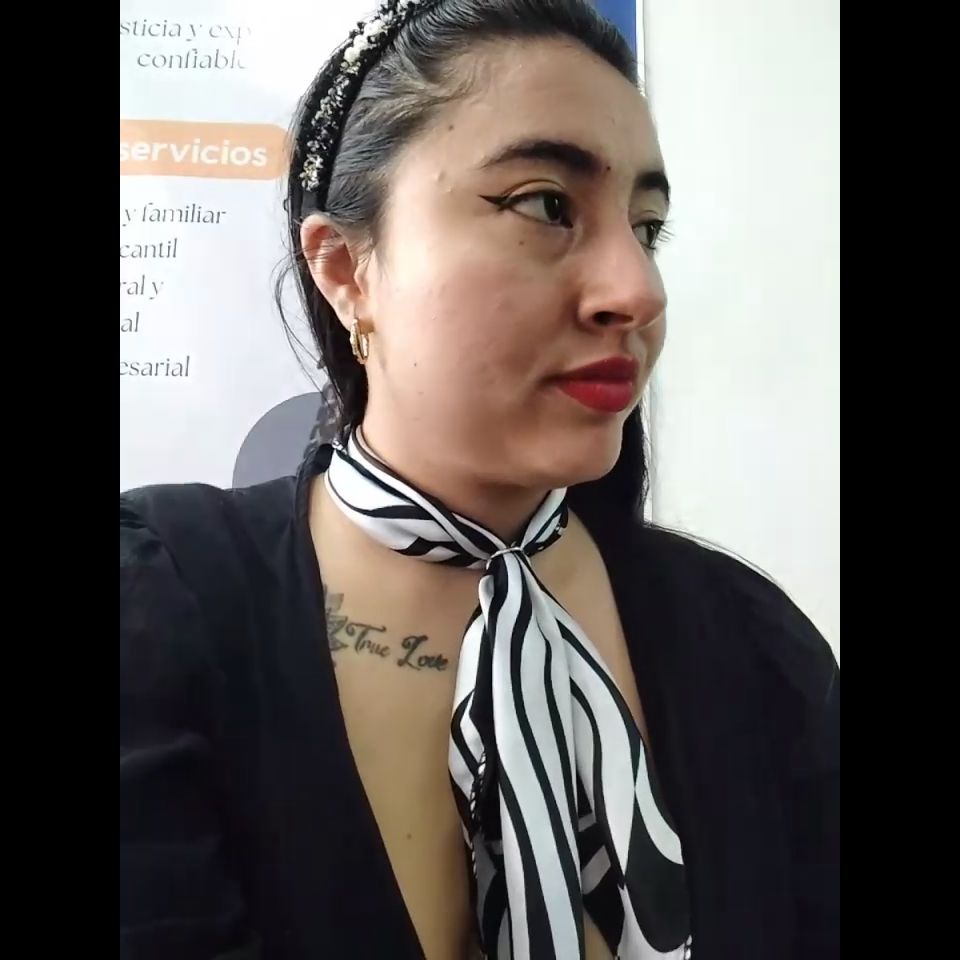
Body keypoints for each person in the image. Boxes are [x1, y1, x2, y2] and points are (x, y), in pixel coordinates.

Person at [119, 0, 840, 957]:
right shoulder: (156, 614)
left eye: (648, 227)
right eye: (546, 205)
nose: (638, 291)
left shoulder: (755, 647)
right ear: (345, 270)